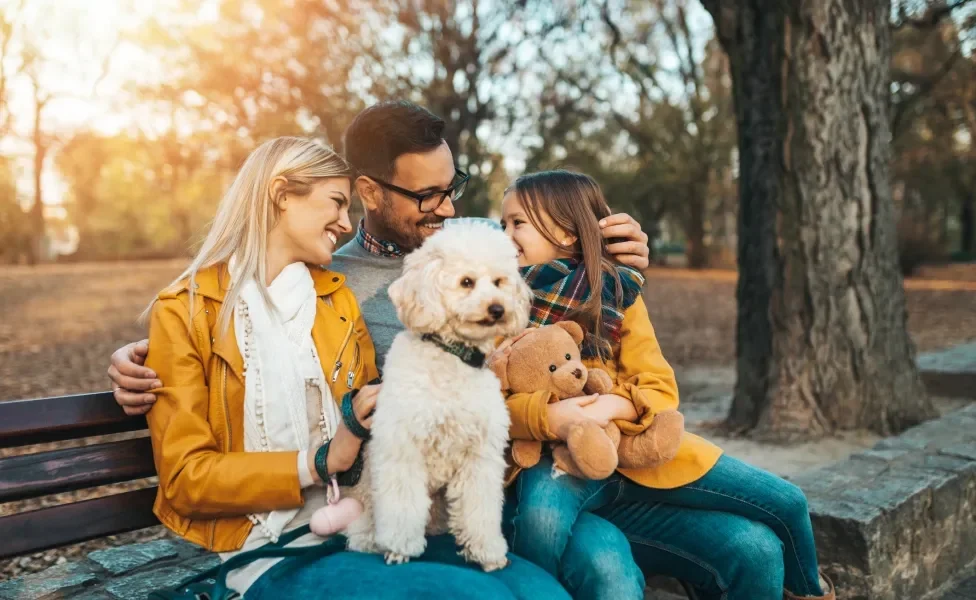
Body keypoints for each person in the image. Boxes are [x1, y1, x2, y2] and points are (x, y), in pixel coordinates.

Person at [111, 102, 649, 599]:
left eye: (452, 186)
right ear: (284, 196)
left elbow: (563, 257)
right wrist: (148, 355)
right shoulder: (232, 302)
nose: (450, 207)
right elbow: (188, 470)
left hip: (395, 506)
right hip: (276, 543)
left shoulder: (346, 293)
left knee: (543, 593)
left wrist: (613, 253)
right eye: (336, 204)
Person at [498, 169, 836, 600]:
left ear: (566, 231)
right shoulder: (497, 299)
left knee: (777, 517)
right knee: (544, 522)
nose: (504, 234)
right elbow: (490, 396)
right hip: (560, 463)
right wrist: (552, 418)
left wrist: (607, 407)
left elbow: (660, 390)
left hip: (639, 459)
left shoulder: (616, 295)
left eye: (517, 223)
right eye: (502, 222)